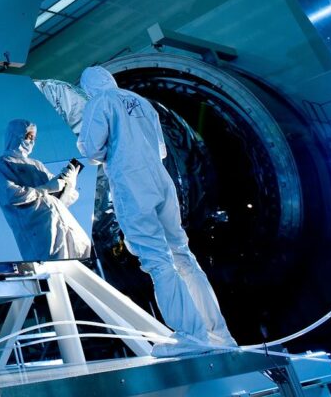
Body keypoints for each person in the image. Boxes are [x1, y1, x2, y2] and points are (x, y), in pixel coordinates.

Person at [77, 65, 236, 357]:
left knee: (157, 260)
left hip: (132, 182)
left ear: (88, 87)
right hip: (161, 181)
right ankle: (219, 335)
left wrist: (108, 154)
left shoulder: (100, 102)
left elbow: (89, 150)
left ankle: (191, 336)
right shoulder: (141, 102)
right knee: (184, 256)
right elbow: (161, 150)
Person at [0, 119, 92, 261]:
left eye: (34, 138)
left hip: (63, 221)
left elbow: (59, 199)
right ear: (15, 135)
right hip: (40, 230)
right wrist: (46, 188)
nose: (31, 141)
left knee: (84, 254)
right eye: (28, 136)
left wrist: (68, 182)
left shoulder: (37, 164)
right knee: (56, 266)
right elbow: (11, 195)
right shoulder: (3, 164)